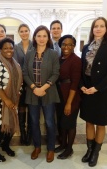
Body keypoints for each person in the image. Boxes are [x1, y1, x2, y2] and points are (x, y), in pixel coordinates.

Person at [80, 17, 107, 167]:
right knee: (89, 121)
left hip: (102, 90)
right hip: (87, 89)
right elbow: (82, 70)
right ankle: (89, 150)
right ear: (92, 29)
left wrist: (96, 88)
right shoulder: (86, 47)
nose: (98, 28)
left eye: (102, 26)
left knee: (100, 123)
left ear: (106, 29)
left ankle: (96, 153)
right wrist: (82, 86)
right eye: (96, 26)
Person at [23, 25, 60, 163]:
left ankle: (50, 149)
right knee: (33, 122)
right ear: (35, 38)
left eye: (44, 36)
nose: (42, 38)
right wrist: (34, 87)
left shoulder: (53, 53)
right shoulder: (29, 54)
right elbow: (25, 73)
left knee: (50, 122)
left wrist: (43, 87)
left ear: (48, 37)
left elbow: (56, 73)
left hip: (48, 92)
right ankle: (37, 147)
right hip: (32, 93)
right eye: (39, 36)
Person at [55, 35, 82, 160]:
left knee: (70, 124)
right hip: (60, 95)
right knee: (62, 122)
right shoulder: (60, 59)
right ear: (60, 45)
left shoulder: (76, 60)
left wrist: (69, 103)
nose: (66, 47)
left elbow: (75, 83)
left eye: (70, 44)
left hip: (71, 97)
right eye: (64, 44)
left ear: (74, 46)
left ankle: (69, 149)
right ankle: (63, 144)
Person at [14, 23, 33, 146]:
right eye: (22, 31)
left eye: (26, 30)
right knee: (21, 109)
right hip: (20, 82)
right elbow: (14, 63)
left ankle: (30, 134)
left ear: (29, 32)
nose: (24, 33)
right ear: (19, 33)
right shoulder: (15, 47)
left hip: (33, 82)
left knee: (32, 109)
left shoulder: (35, 45)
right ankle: (23, 134)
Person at [50, 20, 66, 153]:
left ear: (61, 30)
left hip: (63, 84)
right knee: (51, 113)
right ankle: (53, 135)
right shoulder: (48, 44)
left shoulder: (66, 44)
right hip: (49, 84)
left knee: (61, 113)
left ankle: (62, 136)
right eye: (53, 28)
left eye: (58, 28)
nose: (56, 30)